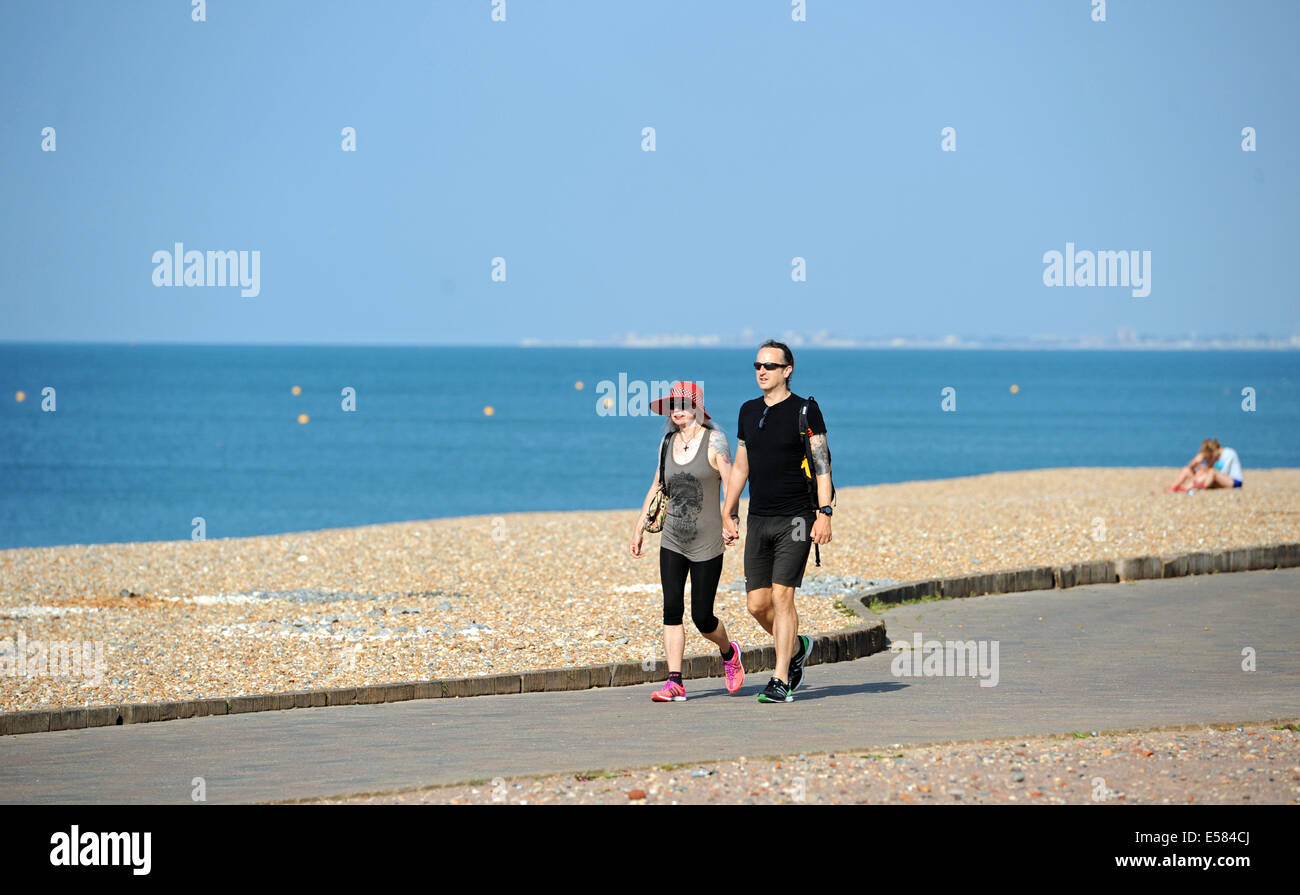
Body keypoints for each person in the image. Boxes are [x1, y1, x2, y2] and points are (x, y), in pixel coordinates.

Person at [722, 341, 833, 704]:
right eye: (757, 365)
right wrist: (729, 508)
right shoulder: (747, 411)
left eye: (770, 365)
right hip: (760, 519)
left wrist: (825, 513)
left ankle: (781, 677)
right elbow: (741, 466)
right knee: (757, 604)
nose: (761, 371)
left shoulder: (806, 410)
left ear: (788, 370)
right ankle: (798, 646)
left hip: (797, 518)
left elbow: (822, 466)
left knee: (783, 597)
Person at [630, 381, 745, 701]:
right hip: (672, 539)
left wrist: (731, 517)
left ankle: (728, 651)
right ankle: (675, 681)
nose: (677, 409)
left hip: (707, 540)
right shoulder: (667, 442)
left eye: (683, 403)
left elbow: (731, 482)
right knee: (671, 608)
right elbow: (657, 485)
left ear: (697, 406)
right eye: (672, 405)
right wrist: (639, 526)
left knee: (702, 617)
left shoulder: (715, 440)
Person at [1167, 438, 1244, 491]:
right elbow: (1190, 466)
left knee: (1210, 472)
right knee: (1186, 470)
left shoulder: (1228, 453)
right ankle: (1172, 488)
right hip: (1212, 479)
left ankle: (1187, 488)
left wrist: (1206, 469)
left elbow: (1222, 472)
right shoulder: (1215, 457)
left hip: (1234, 482)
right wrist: (1197, 460)